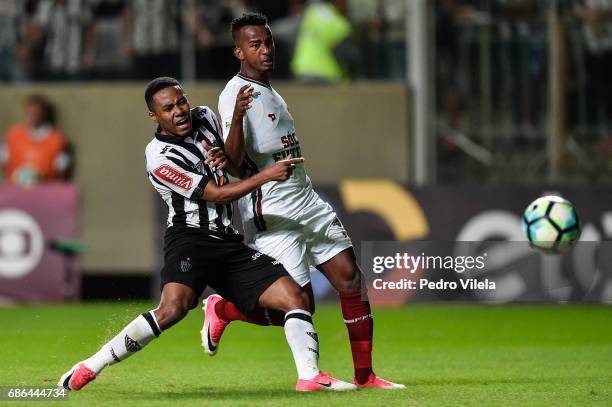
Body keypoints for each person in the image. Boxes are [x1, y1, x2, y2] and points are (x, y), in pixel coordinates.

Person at [57, 77, 356, 393]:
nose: (179, 112)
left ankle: (310, 377)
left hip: (227, 241)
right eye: (168, 108)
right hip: (190, 239)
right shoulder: (159, 156)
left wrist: (234, 129)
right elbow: (216, 194)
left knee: (297, 301)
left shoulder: (206, 116)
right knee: (174, 309)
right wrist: (266, 175)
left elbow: (232, 159)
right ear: (154, 116)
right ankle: (91, 365)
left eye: (181, 102)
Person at [204, 13, 405, 389]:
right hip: (272, 210)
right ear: (238, 51)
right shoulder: (236, 93)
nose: (265, 51)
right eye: (255, 45)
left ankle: (365, 376)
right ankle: (223, 309)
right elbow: (232, 165)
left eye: (268, 43)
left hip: (306, 199)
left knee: (351, 279)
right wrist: (235, 121)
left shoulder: (271, 90)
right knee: (297, 308)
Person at [1, 94, 71, 185]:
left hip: (44, 190)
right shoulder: (12, 135)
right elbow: (4, 162)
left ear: (44, 113)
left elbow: (62, 170)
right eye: (31, 111)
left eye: (38, 111)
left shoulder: (57, 139)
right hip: (15, 189)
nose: (34, 114)